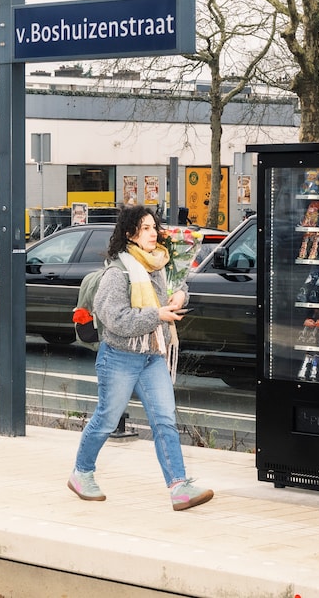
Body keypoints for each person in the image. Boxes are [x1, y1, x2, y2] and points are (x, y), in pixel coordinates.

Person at [67, 205, 214, 511]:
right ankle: (81, 474)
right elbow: (115, 320)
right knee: (107, 420)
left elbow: (179, 284)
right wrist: (156, 314)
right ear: (130, 234)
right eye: (145, 228)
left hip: (152, 355)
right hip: (120, 356)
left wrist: (180, 296)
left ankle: (178, 487)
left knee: (164, 421)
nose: (153, 233)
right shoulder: (117, 273)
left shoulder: (158, 263)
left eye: (154, 227)